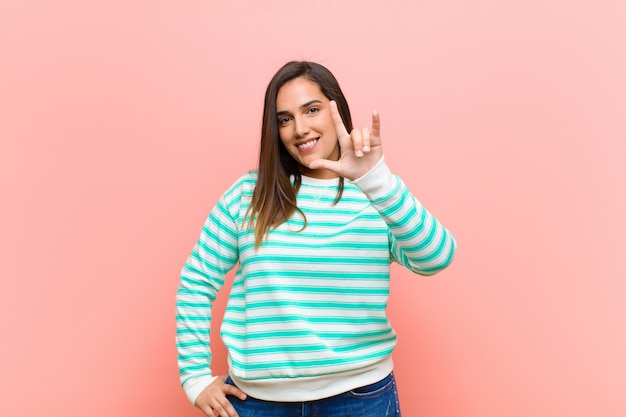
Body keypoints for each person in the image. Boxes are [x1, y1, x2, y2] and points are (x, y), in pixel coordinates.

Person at [176, 61, 456, 417]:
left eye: (311, 110)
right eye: (284, 119)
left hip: (362, 399)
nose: (300, 128)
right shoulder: (249, 194)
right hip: (258, 404)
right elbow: (196, 282)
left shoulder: (375, 192)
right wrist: (195, 377)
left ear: (336, 108)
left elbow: (436, 257)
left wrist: (377, 180)